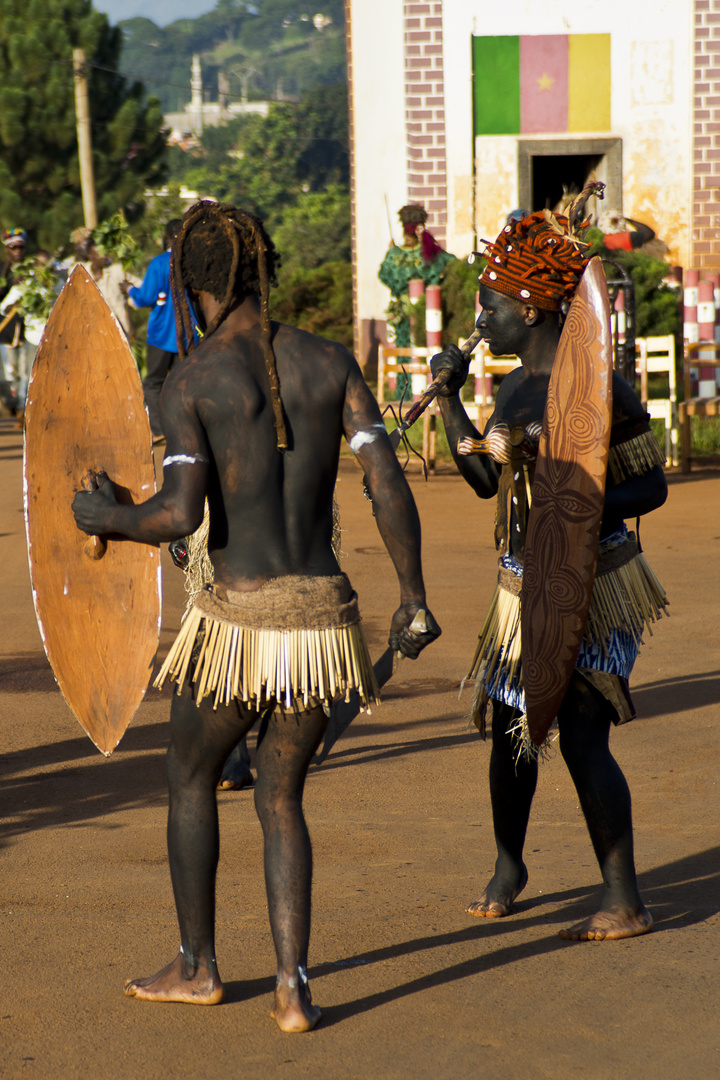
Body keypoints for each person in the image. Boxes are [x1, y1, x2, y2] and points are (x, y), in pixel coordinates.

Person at [72, 201, 440, 1031]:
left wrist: (107, 519)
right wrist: (412, 595)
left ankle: (198, 965)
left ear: (194, 285)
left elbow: (176, 515)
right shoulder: (330, 362)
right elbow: (386, 483)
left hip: (240, 624)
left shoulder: (195, 381)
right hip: (323, 624)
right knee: (281, 798)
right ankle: (291, 985)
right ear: (261, 270)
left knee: (189, 776)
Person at [430, 209, 667, 942]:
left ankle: (624, 896)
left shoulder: (603, 390)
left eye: (489, 308)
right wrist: (444, 397)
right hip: (519, 583)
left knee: (585, 732)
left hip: (595, 582)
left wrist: (577, 502)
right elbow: (478, 479)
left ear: (528, 309)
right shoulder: (510, 392)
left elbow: (650, 488)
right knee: (510, 729)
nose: (481, 320)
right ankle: (510, 864)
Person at [124, 219, 183, 442]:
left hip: (161, 333)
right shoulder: (191, 261)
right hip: (188, 336)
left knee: (153, 382)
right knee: (182, 381)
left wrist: (129, 289)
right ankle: (183, 427)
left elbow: (146, 297)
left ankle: (158, 430)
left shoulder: (160, 263)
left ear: (166, 238)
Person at [378, 203, 455, 349]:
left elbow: (384, 275)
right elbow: (452, 263)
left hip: (402, 315)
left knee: (404, 352)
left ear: (403, 228)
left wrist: (392, 251)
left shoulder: (394, 255)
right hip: (430, 312)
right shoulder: (431, 253)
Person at [71, 226, 139, 339]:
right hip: (98, 336)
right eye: (83, 245)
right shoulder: (77, 274)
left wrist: (129, 298)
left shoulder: (115, 270)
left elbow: (141, 289)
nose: (103, 257)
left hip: (125, 333)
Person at [0, 228, 27, 414]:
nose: (17, 251)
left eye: (20, 247)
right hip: (6, 330)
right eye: (13, 247)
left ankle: (22, 407)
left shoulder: (32, 268)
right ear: (7, 249)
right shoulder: (2, 269)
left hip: (28, 331)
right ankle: (11, 403)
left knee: (26, 371)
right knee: (11, 371)